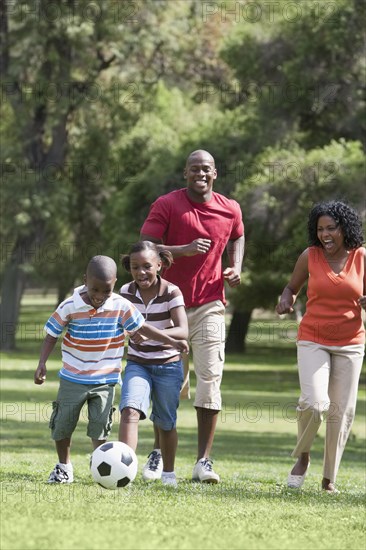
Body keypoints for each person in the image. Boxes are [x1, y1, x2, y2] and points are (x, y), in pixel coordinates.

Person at [34, 255, 187, 483]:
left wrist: (172, 341)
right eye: (94, 289)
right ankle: (64, 467)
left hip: (105, 380)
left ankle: (100, 464)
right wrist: (42, 363)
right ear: (85, 280)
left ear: (114, 283)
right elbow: (51, 334)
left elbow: (142, 328)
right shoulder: (70, 305)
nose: (98, 296)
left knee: (100, 428)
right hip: (72, 378)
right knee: (63, 424)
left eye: (105, 291)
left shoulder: (120, 305)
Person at [140, 149, 245, 483]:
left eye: (206, 169)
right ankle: (157, 453)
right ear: (185, 173)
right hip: (169, 305)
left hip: (210, 304)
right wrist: (182, 251)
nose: (200, 174)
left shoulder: (230, 208)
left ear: (215, 173)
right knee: (170, 384)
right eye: (194, 169)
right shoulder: (167, 204)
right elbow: (145, 247)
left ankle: (203, 462)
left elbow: (239, 236)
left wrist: (235, 265)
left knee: (210, 381)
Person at [276, 200, 365, 493]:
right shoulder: (310, 256)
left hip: (351, 342)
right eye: (320, 229)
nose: (325, 234)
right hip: (313, 338)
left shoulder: (362, 257)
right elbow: (291, 288)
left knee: (341, 413)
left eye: (332, 228)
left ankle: (329, 479)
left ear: (345, 228)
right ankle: (302, 457)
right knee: (314, 403)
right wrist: (286, 299)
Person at [118, 241, 189, 487]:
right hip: (138, 363)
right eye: (135, 267)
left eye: (147, 266)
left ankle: (168, 473)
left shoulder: (172, 292)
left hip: (168, 365)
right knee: (130, 410)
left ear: (159, 265)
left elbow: (183, 330)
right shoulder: (125, 292)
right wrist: (128, 333)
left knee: (165, 422)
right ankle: (123, 471)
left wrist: (149, 333)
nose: (141, 272)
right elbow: (119, 324)